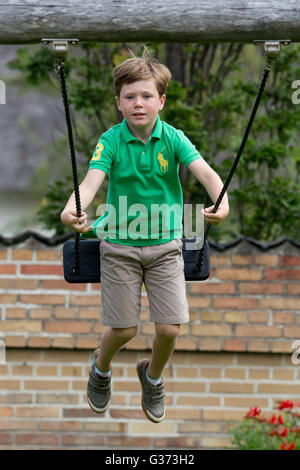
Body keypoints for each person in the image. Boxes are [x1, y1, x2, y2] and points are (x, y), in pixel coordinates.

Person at [60, 46, 229, 423]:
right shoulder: (112, 140)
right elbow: (91, 182)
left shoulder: (173, 138)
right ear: (119, 102)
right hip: (119, 243)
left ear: (161, 101)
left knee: (170, 330)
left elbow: (206, 173)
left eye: (146, 96)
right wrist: (73, 206)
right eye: (130, 97)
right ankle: (101, 369)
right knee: (123, 328)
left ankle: (152, 376)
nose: (139, 103)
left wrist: (222, 199)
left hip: (167, 244)